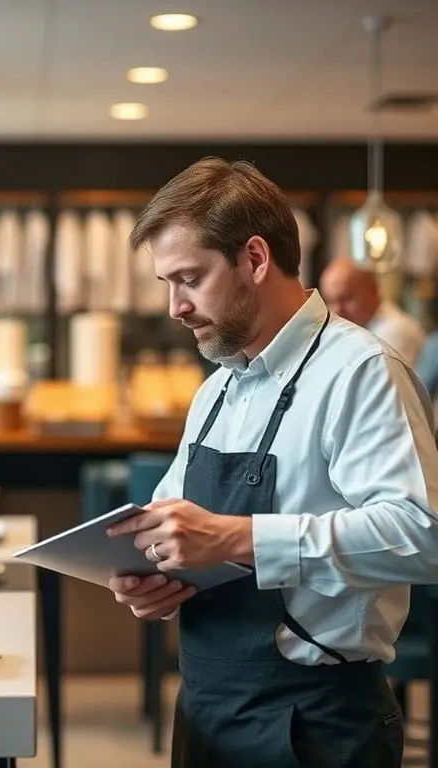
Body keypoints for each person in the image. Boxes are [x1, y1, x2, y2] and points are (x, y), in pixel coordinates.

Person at [106, 157, 438, 768]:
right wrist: (154, 579)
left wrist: (242, 537)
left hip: (316, 726)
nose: (176, 307)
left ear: (255, 259)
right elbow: (174, 527)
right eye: (167, 285)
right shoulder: (216, 390)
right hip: (206, 711)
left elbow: (422, 535)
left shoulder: (360, 372)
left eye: (189, 279)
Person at [320, 256, 425, 366]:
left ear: (374, 291)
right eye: (330, 301)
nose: (337, 310)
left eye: (347, 298)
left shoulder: (397, 332)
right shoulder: (344, 332)